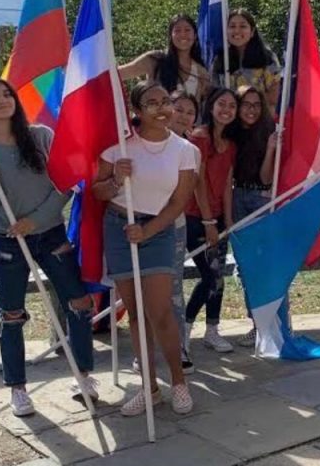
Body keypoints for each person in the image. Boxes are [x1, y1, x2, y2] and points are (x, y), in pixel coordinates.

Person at [0, 77, 96, 418]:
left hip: (50, 234)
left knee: (79, 301)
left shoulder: (41, 136)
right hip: (8, 240)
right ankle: (18, 389)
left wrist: (35, 221)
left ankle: (83, 374)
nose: (1, 100)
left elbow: (66, 184)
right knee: (11, 314)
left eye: (6, 94)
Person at [94, 81, 198, 416]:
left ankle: (178, 382)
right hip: (119, 227)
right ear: (137, 111)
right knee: (136, 313)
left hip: (158, 230)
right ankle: (149, 388)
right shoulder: (119, 146)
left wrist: (148, 229)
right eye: (152, 103)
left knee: (160, 311)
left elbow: (179, 201)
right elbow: (96, 192)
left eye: (165, 100)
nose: (162, 108)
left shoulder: (185, 149)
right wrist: (113, 180)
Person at [185, 87, 239, 353]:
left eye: (232, 105)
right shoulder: (200, 138)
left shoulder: (230, 144)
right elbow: (197, 183)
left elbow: (227, 182)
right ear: (211, 106)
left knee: (218, 277)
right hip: (195, 217)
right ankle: (184, 328)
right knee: (210, 277)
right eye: (222, 104)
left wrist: (226, 221)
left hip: (217, 218)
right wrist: (208, 222)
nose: (226, 110)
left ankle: (212, 330)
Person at [231, 85, 278, 347]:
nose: (250, 110)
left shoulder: (268, 132)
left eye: (256, 105)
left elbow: (266, 178)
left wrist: (271, 148)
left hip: (262, 197)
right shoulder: (232, 134)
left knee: (267, 263)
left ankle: (275, 321)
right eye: (245, 104)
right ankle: (257, 323)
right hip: (237, 198)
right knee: (245, 266)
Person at [168, 90, 200, 369]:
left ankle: (179, 348)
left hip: (173, 227)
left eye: (190, 112)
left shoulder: (191, 151)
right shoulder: (138, 142)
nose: (184, 115)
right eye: (179, 109)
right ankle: (145, 349)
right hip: (136, 226)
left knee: (173, 289)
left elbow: (189, 191)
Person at [119, 14, 212, 107]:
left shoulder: (201, 73)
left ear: (195, 35)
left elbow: (204, 107)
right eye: (177, 30)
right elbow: (119, 74)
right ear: (171, 36)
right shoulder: (155, 59)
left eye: (187, 30)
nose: (183, 34)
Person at [211, 9, 282, 109]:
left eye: (243, 26)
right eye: (232, 26)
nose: (237, 31)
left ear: (252, 31)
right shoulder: (220, 60)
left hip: (257, 118)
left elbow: (273, 99)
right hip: (228, 119)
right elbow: (213, 94)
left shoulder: (267, 58)